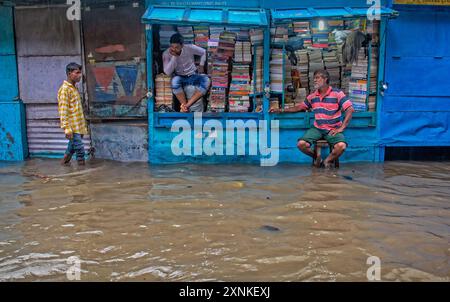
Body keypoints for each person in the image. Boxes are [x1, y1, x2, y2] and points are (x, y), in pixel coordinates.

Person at [270, 69, 354, 168]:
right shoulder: (313, 96)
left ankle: (327, 161)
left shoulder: (337, 93)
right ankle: (317, 157)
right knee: (301, 144)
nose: (315, 80)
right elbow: (300, 107)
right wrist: (281, 110)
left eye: (317, 78)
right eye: (314, 78)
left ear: (325, 79)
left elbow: (350, 109)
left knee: (341, 146)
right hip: (317, 128)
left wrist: (341, 128)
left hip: (332, 129)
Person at [163, 33, 210, 112]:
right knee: (174, 82)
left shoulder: (189, 48)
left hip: (193, 75)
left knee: (207, 80)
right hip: (180, 76)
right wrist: (174, 57)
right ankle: (184, 106)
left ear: (182, 45)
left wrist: (201, 65)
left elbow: (204, 52)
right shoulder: (166, 54)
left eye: (177, 47)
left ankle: (187, 106)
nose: (174, 49)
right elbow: (167, 72)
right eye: (172, 47)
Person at [57, 62, 88, 166]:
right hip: (72, 127)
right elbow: (63, 110)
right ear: (69, 73)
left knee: (72, 147)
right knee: (80, 150)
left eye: (80, 73)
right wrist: (66, 128)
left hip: (78, 125)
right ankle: (82, 173)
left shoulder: (74, 88)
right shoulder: (65, 90)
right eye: (77, 73)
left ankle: (64, 163)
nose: (79, 75)